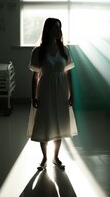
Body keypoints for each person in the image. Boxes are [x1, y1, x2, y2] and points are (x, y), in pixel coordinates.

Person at [27, 18, 77, 171]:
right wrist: (33, 96)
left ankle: (56, 157)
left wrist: (71, 93)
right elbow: (35, 76)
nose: (58, 31)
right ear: (47, 29)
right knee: (45, 121)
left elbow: (68, 73)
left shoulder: (64, 50)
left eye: (59, 28)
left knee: (59, 122)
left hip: (61, 89)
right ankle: (44, 158)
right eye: (55, 28)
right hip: (46, 89)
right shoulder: (38, 51)